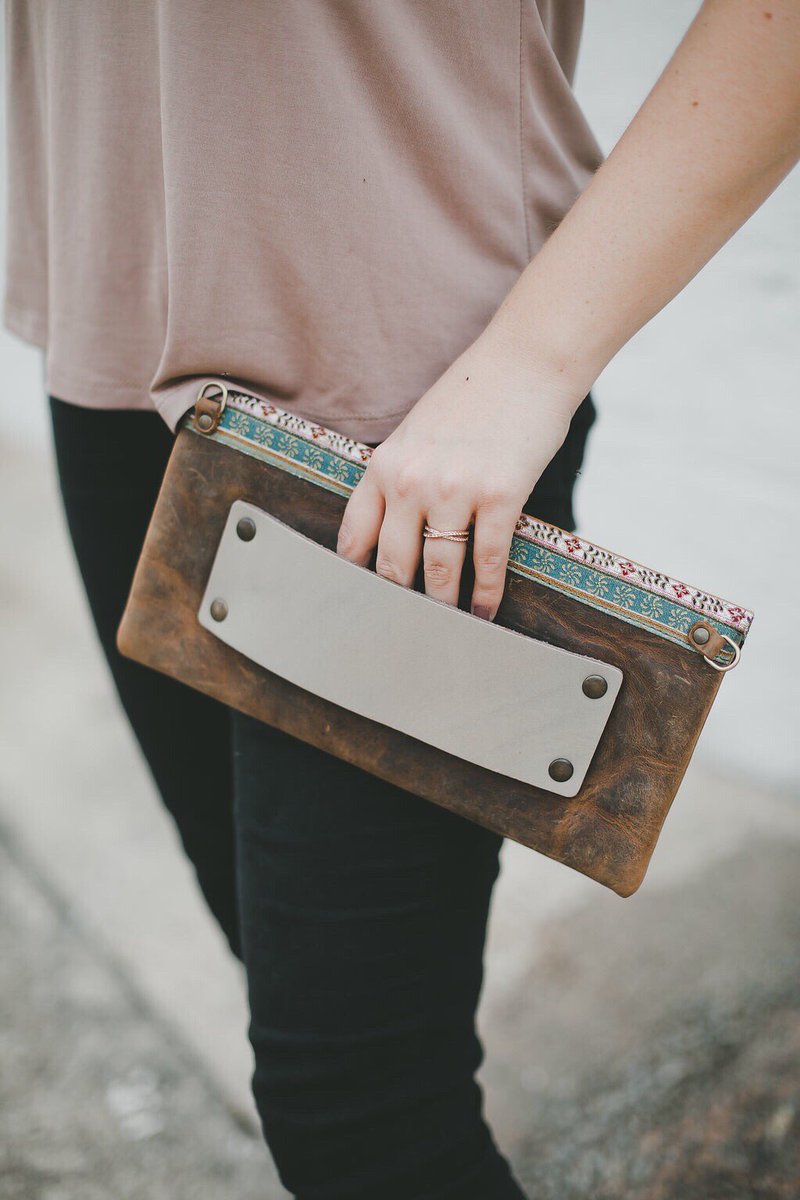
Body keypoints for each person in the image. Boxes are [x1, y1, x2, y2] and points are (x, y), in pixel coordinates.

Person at [4, 3, 799, 1197]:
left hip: (405, 430)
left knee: (362, 1124)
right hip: (118, 359)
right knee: (283, 974)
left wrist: (532, 365)